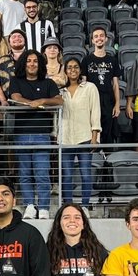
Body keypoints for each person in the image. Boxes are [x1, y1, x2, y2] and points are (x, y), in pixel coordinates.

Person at [9, 49, 63, 220]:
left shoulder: (48, 83)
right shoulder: (16, 81)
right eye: (28, 61)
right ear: (23, 63)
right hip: (21, 134)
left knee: (42, 173)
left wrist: (42, 101)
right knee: (24, 174)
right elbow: (15, 97)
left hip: (42, 135)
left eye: (35, 61)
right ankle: (30, 206)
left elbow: (60, 100)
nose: (32, 64)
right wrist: (30, 103)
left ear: (40, 64)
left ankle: (44, 207)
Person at [58, 57, 100, 208]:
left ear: (80, 70)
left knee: (86, 174)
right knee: (67, 175)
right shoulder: (60, 91)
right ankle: (68, 207)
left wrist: (95, 137)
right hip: (65, 138)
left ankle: (84, 206)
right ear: (65, 71)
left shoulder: (90, 87)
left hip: (85, 137)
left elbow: (95, 112)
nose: (73, 70)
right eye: (69, 68)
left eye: (76, 67)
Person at [83, 27, 122, 146]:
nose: (99, 38)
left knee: (108, 132)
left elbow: (115, 84)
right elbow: (83, 83)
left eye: (101, 36)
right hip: (92, 100)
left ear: (106, 39)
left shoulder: (112, 60)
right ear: (92, 41)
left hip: (108, 100)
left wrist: (117, 104)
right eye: (96, 36)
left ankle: (107, 159)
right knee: (93, 129)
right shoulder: (86, 60)